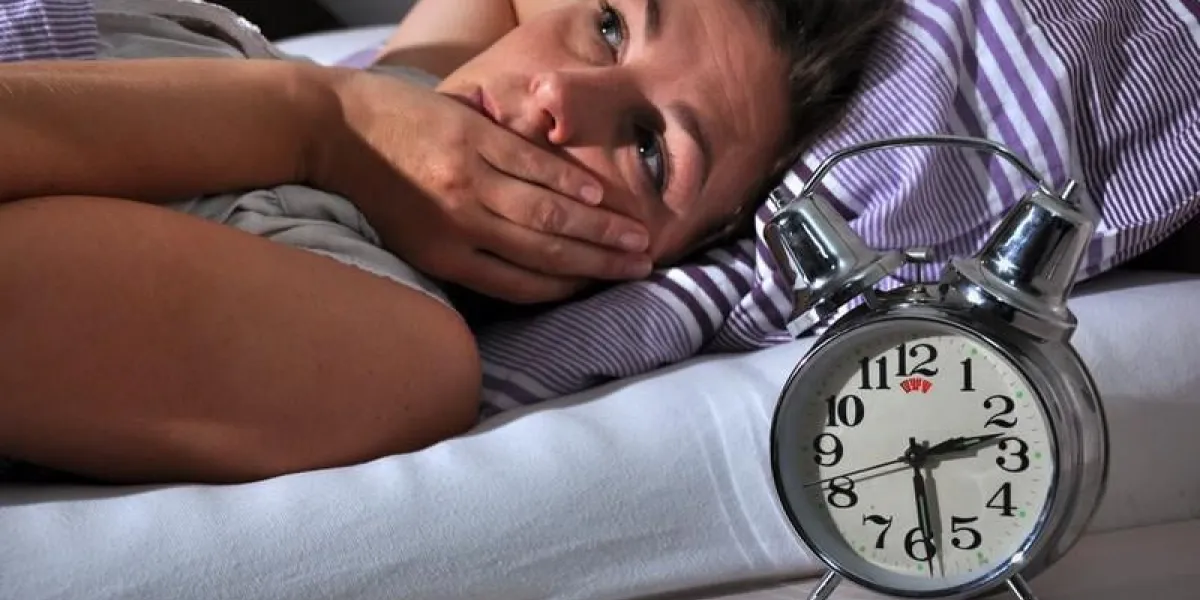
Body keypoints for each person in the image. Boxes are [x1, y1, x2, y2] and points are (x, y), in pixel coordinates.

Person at [0, 0, 896, 484]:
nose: (556, 92)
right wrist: (366, 114)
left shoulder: (389, 353)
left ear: (655, 265)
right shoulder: (413, 87)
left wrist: (327, 125)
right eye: (611, 24)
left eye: (651, 148)